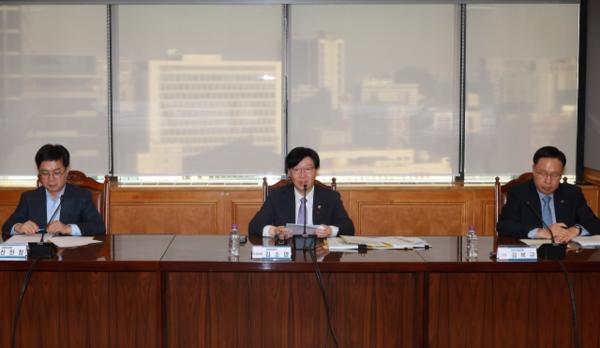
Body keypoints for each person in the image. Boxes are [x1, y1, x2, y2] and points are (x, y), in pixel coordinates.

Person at [497, 146, 600, 242]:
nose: (548, 181)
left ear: (561, 173)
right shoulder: (519, 192)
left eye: (554, 175)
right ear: (533, 169)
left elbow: (595, 223)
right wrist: (542, 232)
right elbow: (504, 226)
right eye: (542, 173)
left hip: (566, 254)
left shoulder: (572, 193)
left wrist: (576, 230)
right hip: (531, 256)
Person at [249, 147, 354, 239]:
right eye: (296, 169)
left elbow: (348, 228)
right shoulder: (277, 196)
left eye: (308, 169)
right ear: (289, 173)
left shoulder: (331, 197)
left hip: (320, 254)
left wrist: (330, 230)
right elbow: (254, 226)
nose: (302, 175)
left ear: (316, 171)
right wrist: (275, 231)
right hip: (288, 255)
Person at [2, 144, 105, 237]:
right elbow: (7, 226)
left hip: (72, 254)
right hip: (40, 256)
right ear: (39, 174)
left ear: (66, 172)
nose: (51, 179)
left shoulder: (81, 196)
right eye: (45, 173)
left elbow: (98, 227)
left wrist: (67, 228)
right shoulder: (29, 198)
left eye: (56, 172)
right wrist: (19, 227)